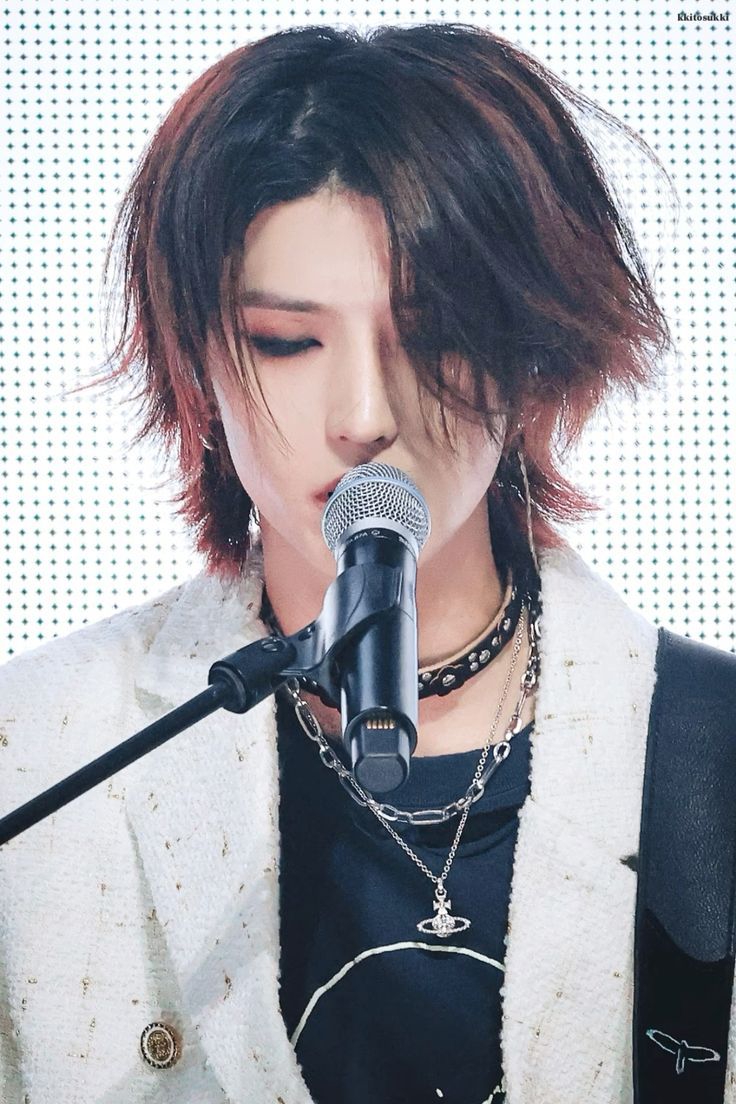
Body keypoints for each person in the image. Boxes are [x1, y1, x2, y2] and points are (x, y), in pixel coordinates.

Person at [0, 19, 732, 1104]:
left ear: (533, 346)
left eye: (431, 332)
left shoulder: (707, 743)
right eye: (285, 340)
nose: (362, 415)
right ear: (196, 358)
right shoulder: (40, 749)